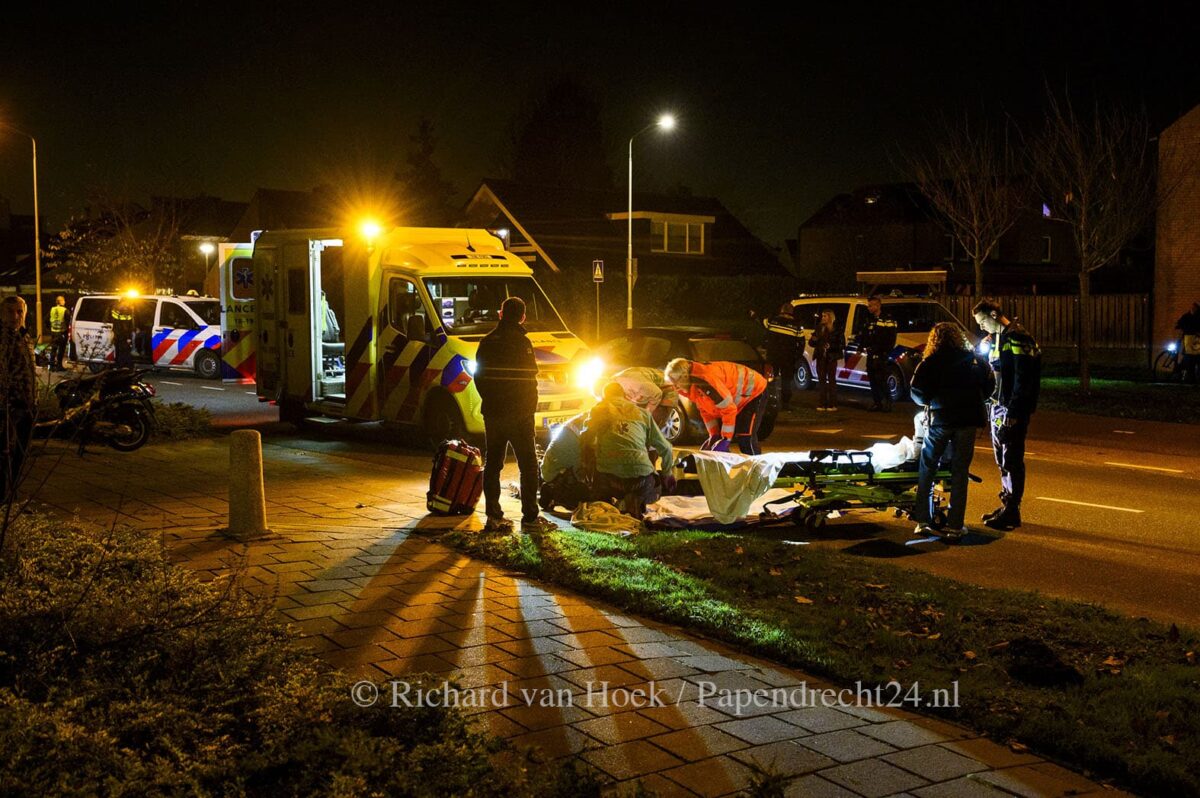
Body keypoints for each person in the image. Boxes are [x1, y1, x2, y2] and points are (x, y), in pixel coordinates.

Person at [473, 296, 555, 534]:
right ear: (523, 317)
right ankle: (530, 516)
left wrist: (490, 400)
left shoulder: (487, 341)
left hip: (494, 413)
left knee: (493, 463)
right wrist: (529, 408)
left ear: (501, 314)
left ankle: (493, 514)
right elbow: (530, 378)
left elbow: (479, 377)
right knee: (528, 466)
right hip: (520, 414)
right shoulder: (522, 342)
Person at [908, 322, 995, 539]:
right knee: (960, 472)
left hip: (941, 419)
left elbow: (916, 391)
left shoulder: (930, 362)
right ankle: (955, 525)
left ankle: (923, 520)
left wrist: (930, 400)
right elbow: (990, 385)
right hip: (968, 420)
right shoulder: (975, 360)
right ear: (958, 337)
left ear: (934, 339)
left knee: (928, 468)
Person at [973, 298, 1041, 531]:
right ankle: (1007, 504)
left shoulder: (1018, 337)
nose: (981, 326)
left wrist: (1014, 411)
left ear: (993, 315)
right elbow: (993, 370)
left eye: (982, 321)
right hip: (998, 406)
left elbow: (1023, 378)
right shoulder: (999, 339)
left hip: (1011, 408)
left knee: (1011, 457)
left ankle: (1013, 511)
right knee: (1002, 458)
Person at [581, 381, 674, 519]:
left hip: (609, 479)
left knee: (589, 453)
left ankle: (605, 502)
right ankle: (636, 499)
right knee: (653, 478)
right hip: (642, 480)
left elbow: (585, 439)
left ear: (604, 397)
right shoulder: (643, 413)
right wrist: (667, 475)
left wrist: (585, 466)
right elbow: (666, 447)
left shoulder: (599, 409)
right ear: (624, 396)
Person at [664, 358, 767, 455]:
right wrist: (714, 435)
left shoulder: (705, 381)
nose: (675, 387)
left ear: (685, 377)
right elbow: (706, 411)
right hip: (743, 394)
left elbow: (729, 409)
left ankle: (759, 467)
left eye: (675, 382)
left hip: (755, 391)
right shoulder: (693, 384)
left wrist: (726, 439)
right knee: (734, 437)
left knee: (745, 437)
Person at [1, 296, 37, 503]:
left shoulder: (24, 336)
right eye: (10, 311)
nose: (15, 316)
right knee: (5, 453)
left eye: (19, 311)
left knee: (20, 454)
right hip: (9, 407)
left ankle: (12, 496)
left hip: (27, 406)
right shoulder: (3, 339)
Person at [538, 412, 591, 511]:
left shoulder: (582, 420)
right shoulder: (592, 421)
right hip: (561, 476)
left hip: (550, 472)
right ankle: (557, 493)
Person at [856, 295, 898, 412]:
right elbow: (865, 335)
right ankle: (877, 403)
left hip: (881, 354)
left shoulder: (887, 319)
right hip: (871, 353)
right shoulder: (869, 319)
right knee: (872, 379)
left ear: (878, 306)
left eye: (870, 306)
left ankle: (888, 402)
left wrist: (885, 352)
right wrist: (860, 347)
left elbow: (891, 338)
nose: (868, 308)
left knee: (881, 379)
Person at [762, 302, 804, 411]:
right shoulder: (797, 325)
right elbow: (801, 343)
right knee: (786, 381)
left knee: (771, 379)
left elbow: (764, 323)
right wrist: (797, 356)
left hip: (773, 355)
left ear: (781, 310)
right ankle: (785, 404)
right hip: (788, 357)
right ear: (792, 312)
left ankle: (768, 401)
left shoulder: (773, 321)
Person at [612, 366, 679, 427]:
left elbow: (657, 394)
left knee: (656, 419)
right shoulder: (614, 383)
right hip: (643, 382)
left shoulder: (640, 386)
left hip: (666, 390)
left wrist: (647, 414)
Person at [809, 308, 844, 412]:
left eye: (825, 316)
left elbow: (842, 344)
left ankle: (832, 404)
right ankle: (822, 403)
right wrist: (813, 340)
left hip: (831, 358)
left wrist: (831, 346)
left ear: (830, 317)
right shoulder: (819, 328)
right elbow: (811, 343)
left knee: (831, 381)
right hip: (821, 357)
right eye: (822, 316)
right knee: (821, 381)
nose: (823, 318)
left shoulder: (837, 330)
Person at [1174, 301, 1200, 385]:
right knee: (1190, 360)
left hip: (1195, 342)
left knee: (1192, 359)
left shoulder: (1195, 317)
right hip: (1189, 341)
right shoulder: (1186, 316)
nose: (1193, 309)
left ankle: (1190, 378)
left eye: (1195, 308)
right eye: (1193, 308)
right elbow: (1179, 324)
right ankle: (1190, 379)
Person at [110, 297, 136, 369]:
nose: (128, 304)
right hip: (122, 335)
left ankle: (120, 365)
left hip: (118, 334)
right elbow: (125, 325)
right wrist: (128, 337)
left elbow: (118, 323)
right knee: (124, 350)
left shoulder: (116, 309)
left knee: (119, 350)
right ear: (124, 302)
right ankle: (125, 365)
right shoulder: (125, 311)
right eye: (128, 302)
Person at [48, 295, 71, 372]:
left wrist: (50, 328)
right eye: (64, 300)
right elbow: (68, 322)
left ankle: (51, 367)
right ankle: (59, 366)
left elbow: (47, 320)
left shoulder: (52, 309)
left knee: (53, 349)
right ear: (61, 301)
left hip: (53, 332)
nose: (65, 302)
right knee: (61, 350)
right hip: (62, 333)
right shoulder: (65, 310)